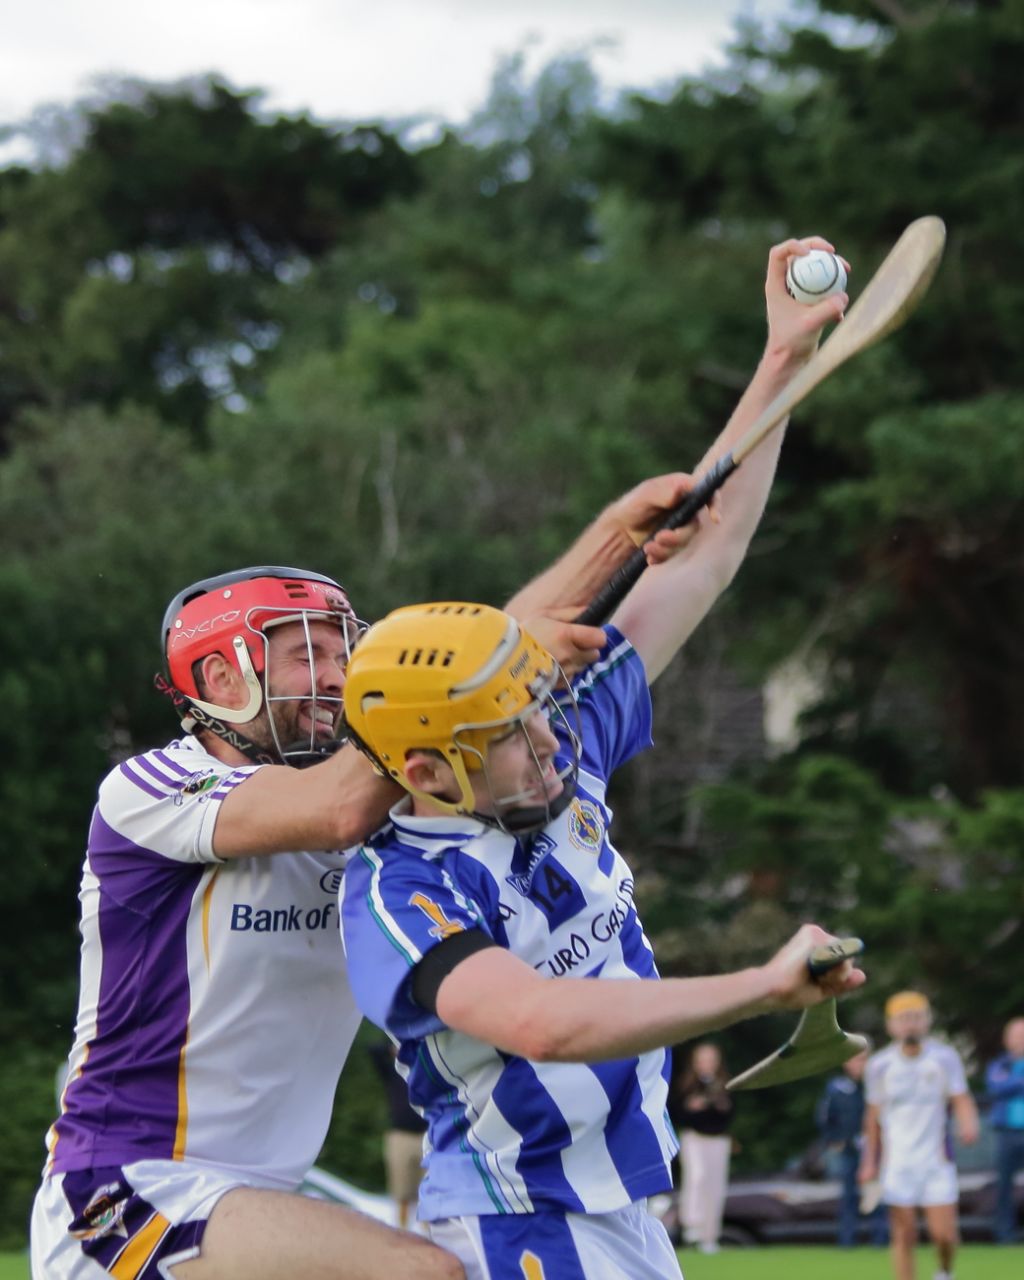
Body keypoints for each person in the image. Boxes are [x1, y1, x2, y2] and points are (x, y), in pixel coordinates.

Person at [26, 486, 697, 1280]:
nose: (336, 672)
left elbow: (470, 666)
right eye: (303, 652)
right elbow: (348, 792)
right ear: (217, 676)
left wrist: (617, 538)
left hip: (254, 1198)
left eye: (341, 648)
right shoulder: (150, 792)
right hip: (124, 1188)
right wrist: (497, 659)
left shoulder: (383, 818)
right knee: (427, 1274)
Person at [859, 991, 979, 1280]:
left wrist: (968, 1123)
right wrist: (869, 1162)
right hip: (898, 1163)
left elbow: (961, 1098)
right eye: (903, 1019)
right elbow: (872, 1117)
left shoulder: (944, 1058)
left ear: (926, 1021)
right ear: (891, 1025)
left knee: (945, 1234)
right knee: (903, 1234)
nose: (910, 1025)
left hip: (936, 1161)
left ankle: (944, 1271)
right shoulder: (879, 1065)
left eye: (915, 1017)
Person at [815, 1043, 887, 1247]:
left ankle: (880, 1241)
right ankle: (847, 1241)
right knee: (848, 1197)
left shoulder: (877, 1085)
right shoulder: (837, 1088)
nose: (860, 1064)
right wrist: (834, 1139)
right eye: (856, 1059)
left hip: (874, 1150)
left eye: (864, 1059)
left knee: (876, 1197)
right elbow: (824, 1117)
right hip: (849, 1150)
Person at [670, 1042, 734, 1254]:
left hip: (718, 1140)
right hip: (694, 1138)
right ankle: (692, 1225)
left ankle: (710, 1237)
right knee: (696, 1177)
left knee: (715, 1187)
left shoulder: (725, 1084)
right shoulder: (686, 1084)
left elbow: (728, 1115)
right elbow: (678, 1114)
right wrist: (693, 1108)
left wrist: (718, 1106)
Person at [370, 1039, 429, 1230]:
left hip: (427, 1138)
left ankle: (429, 1236)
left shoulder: (425, 1073)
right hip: (401, 1136)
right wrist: (393, 1048)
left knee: (430, 1193)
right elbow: (372, 1050)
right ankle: (402, 1231)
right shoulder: (393, 1073)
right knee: (402, 1193)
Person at [984, 1015, 1024, 1244]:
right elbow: (997, 1086)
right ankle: (1004, 1234)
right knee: (1004, 1186)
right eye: (1017, 1036)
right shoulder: (999, 1065)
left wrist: (1013, 1082)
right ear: (1007, 1040)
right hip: (1007, 1133)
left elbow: (1006, 1086)